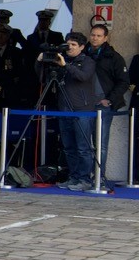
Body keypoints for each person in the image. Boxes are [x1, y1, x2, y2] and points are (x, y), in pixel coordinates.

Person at [38, 33, 102, 190]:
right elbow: (43, 78)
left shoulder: (88, 61)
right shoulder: (61, 60)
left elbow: (83, 77)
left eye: (73, 45)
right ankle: (74, 178)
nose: (70, 48)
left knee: (83, 147)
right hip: (64, 109)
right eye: (68, 44)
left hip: (83, 110)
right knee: (69, 147)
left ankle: (85, 180)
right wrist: (40, 61)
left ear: (81, 47)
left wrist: (65, 65)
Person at [86, 23, 128, 180]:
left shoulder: (114, 57)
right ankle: (84, 176)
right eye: (93, 35)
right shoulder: (83, 54)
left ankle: (98, 176)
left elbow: (124, 82)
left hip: (103, 106)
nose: (94, 38)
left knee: (101, 145)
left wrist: (109, 100)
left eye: (98, 35)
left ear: (105, 38)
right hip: (84, 105)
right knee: (84, 143)